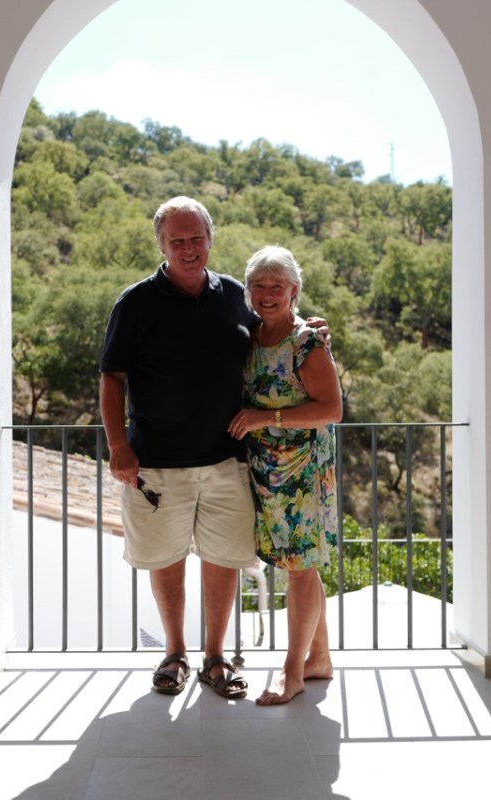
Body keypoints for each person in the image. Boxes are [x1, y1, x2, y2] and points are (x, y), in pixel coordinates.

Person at [99, 196, 257, 699]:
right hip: (157, 464)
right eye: (177, 241)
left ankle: (216, 659)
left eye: (196, 239)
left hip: (228, 459)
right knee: (165, 561)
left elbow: (274, 337)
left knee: (224, 559)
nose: (188, 249)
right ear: (161, 245)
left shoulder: (236, 295)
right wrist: (118, 445)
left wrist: (309, 329)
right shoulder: (135, 303)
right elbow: (111, 378)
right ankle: (174, 654)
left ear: (210, 240)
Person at [228, 245, 342, 705]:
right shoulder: (251, 335)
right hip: (266, 472)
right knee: (302, 567)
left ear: (294, 290)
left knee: (299, 570)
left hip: (303, 476)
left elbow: (331, 409)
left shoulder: (306, 341)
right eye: (259, 285)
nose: (267, 293)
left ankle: (291, 672)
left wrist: (265, 418)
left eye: (277, 286)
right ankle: (319, 659)